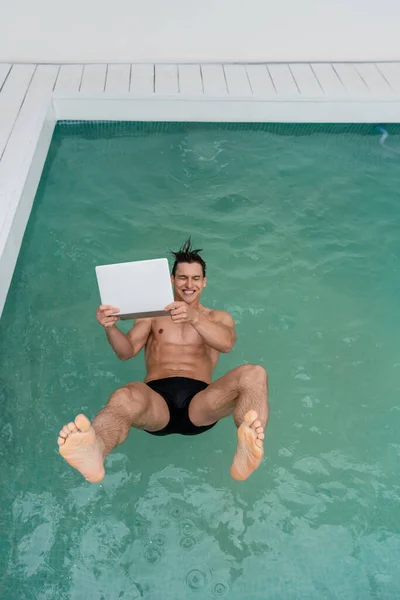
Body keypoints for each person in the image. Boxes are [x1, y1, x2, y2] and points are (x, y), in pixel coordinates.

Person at [58, 239, 269, 483]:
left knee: (255, 373)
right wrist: (111, 328)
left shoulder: (217, 317)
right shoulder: (152, 315)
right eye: (182, 278)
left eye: (196, 278)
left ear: (204, 281)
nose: (189, 284)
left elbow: (226, 344)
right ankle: (95, 451)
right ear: (171, 279)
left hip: (201, 402)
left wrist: (194, 319)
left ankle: (248, 444)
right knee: (124, 396)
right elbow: (126, 352)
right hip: (156, 400)